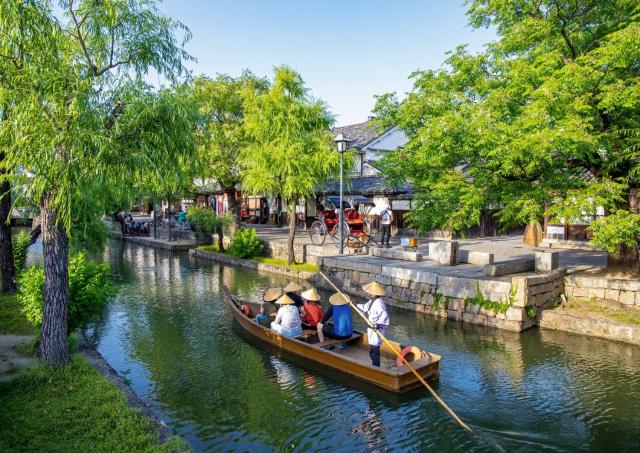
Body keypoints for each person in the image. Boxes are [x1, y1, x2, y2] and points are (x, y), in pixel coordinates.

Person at [357, 281, 389, 367]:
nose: (368, 293)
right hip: (371, 328)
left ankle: (376, 367)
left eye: (370, 292)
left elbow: (384, 316)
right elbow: (364, 308)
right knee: (372, 349)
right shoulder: (372, 301)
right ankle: (375, 365)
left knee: (374, 350)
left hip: (376, 329)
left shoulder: (379, 303)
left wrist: (378, 325)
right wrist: (354, 305)